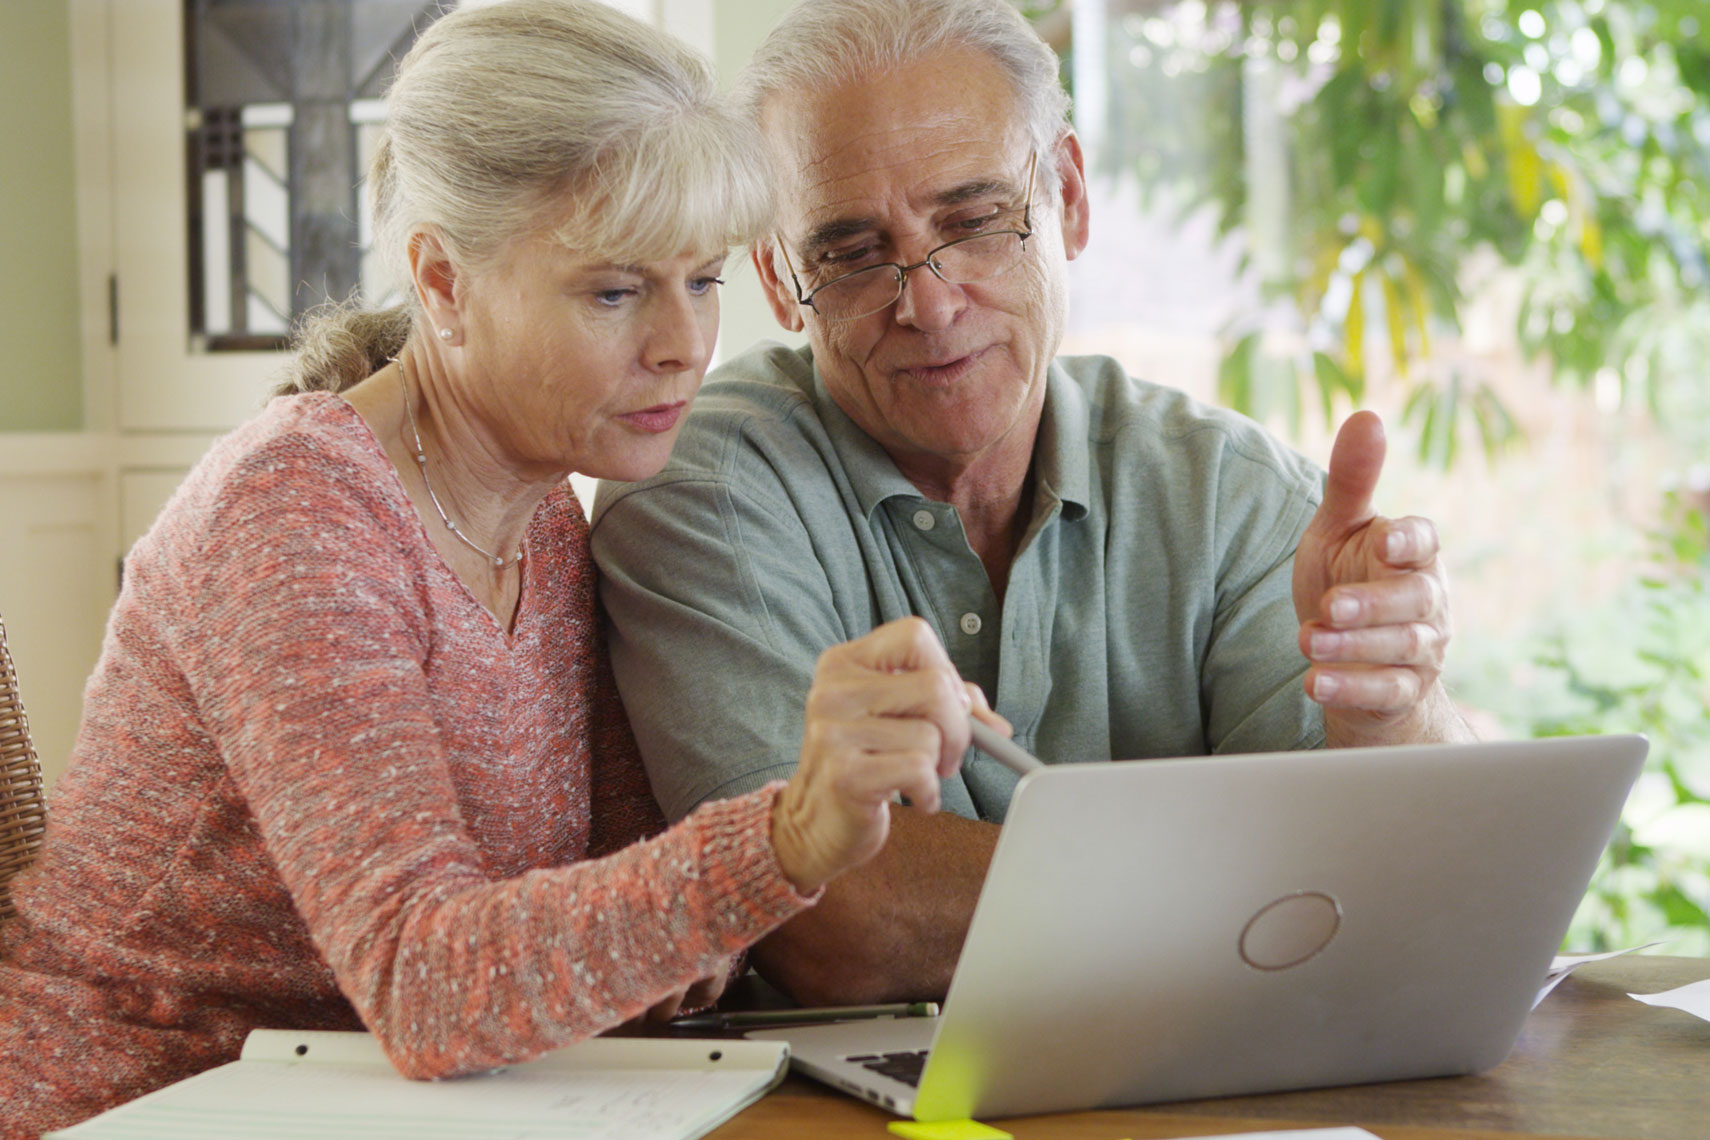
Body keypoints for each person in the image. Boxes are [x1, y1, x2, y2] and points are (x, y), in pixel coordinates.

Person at [0, 4, 1001, 1137]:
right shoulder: (295, 512)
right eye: (616, 292)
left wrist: (806, 819)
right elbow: (427, 987)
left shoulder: (543, 517)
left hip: (422, 1108)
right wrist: (784, 838)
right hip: (150, 1103)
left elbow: (637, 919)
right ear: (441, 284)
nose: (684, 343)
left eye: (705, 279)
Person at [589, 0, 1475, 1006]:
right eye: (850, 252)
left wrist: (1397, 711)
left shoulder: (1230, 493)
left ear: (1070, 198)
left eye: (973, 223)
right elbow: (834, 922)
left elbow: (1406, 890)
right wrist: (1255, 881)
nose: (927, 301)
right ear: (782, 281)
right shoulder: (701, 492)